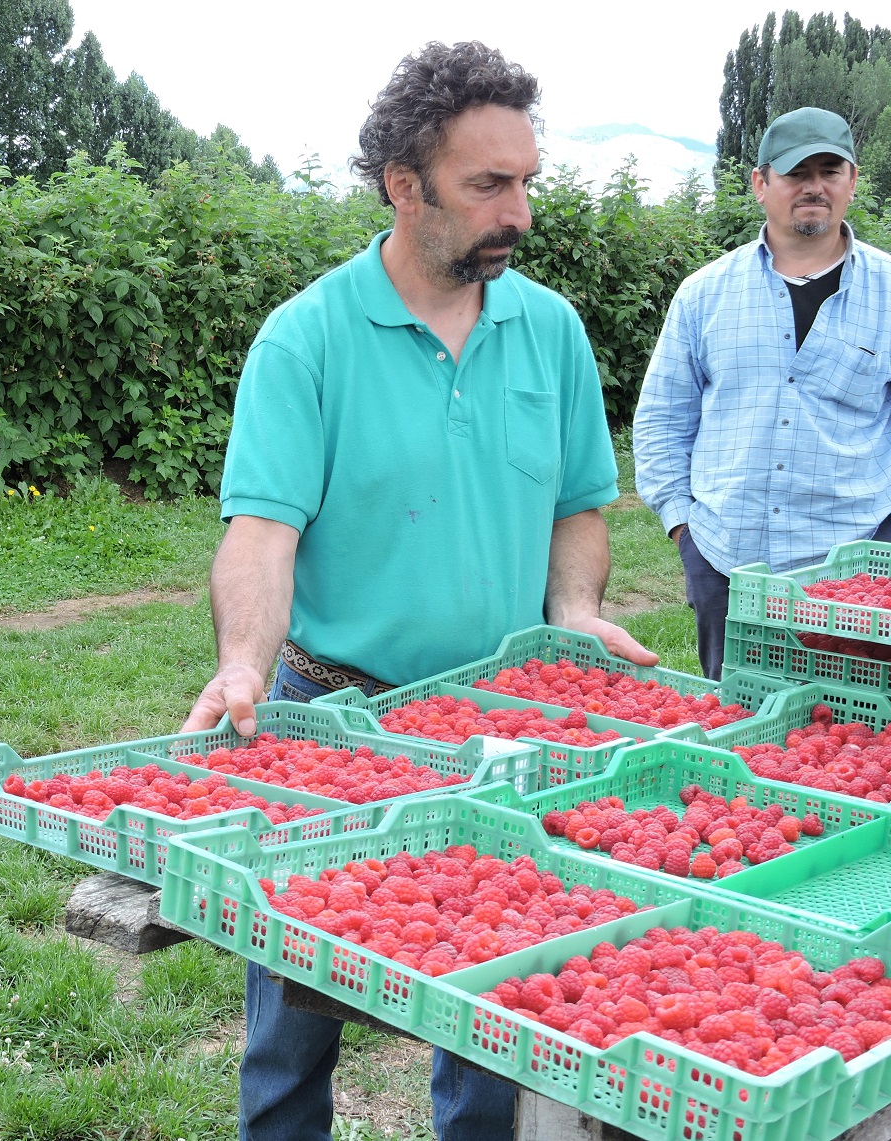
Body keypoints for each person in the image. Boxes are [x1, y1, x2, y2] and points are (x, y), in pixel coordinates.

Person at [180, 40, 654, 1141]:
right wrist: (243, 661)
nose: (518, 213)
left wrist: (575, 612)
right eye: (488, 184)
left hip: (507, 729)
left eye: (526, 180)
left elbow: (577, 505)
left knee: (496, 1005)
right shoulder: (308, 338)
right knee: (291, 1013)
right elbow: (262, 531)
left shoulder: (551, 330)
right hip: (335, 720)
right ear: (404, 185)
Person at [633, 106, 891, 680]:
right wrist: (684, 530)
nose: (814, 187)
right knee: (737, 721)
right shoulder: (704, 294)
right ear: (761, 183)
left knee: (853, 725)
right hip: (726, 560)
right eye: (797, 173)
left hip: (857, 572)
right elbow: (662, 420)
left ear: (852, 181)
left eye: (830, 171)